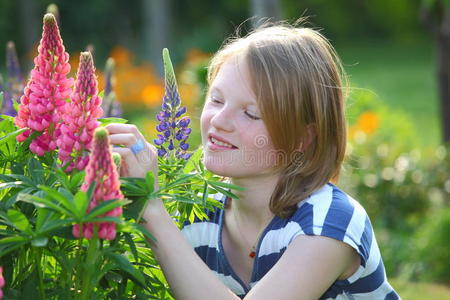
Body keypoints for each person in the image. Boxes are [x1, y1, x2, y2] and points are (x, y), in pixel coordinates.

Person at [106, 21, 400, 299]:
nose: (219, 120)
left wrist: (154, 212)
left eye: (251, 113)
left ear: (302, 138)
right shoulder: (199, 213)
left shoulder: (328, 223)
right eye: (217, 99)